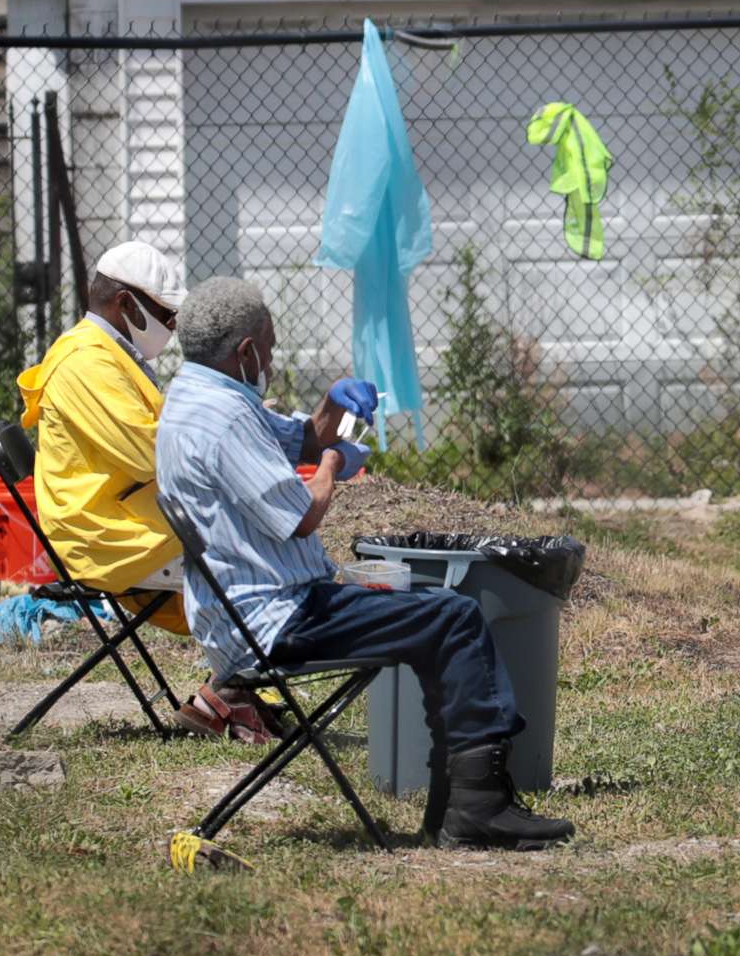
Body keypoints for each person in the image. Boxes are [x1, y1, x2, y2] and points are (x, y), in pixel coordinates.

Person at [154, 277, 574, 851]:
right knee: (453, 617)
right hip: (277, 621)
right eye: (270, 347)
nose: (273, 360)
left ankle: (464, 801)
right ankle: (479, 804)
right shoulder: (224, 420)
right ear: (246, 351)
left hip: (256, 612)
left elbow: (299, 438)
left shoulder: (197, 397)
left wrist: (332, 407)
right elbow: (303, 512)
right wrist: (332, 461)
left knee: (436, 617)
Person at [18, 241, 276, 740]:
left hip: (124, 516)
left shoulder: (112, 357)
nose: (173, 326)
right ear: (126, 303)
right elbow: (153, 452)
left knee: (247, 539)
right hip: (102, 533)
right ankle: (228, 693)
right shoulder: (85, 364)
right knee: (248, 550)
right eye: (165, 313)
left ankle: (234, 688)